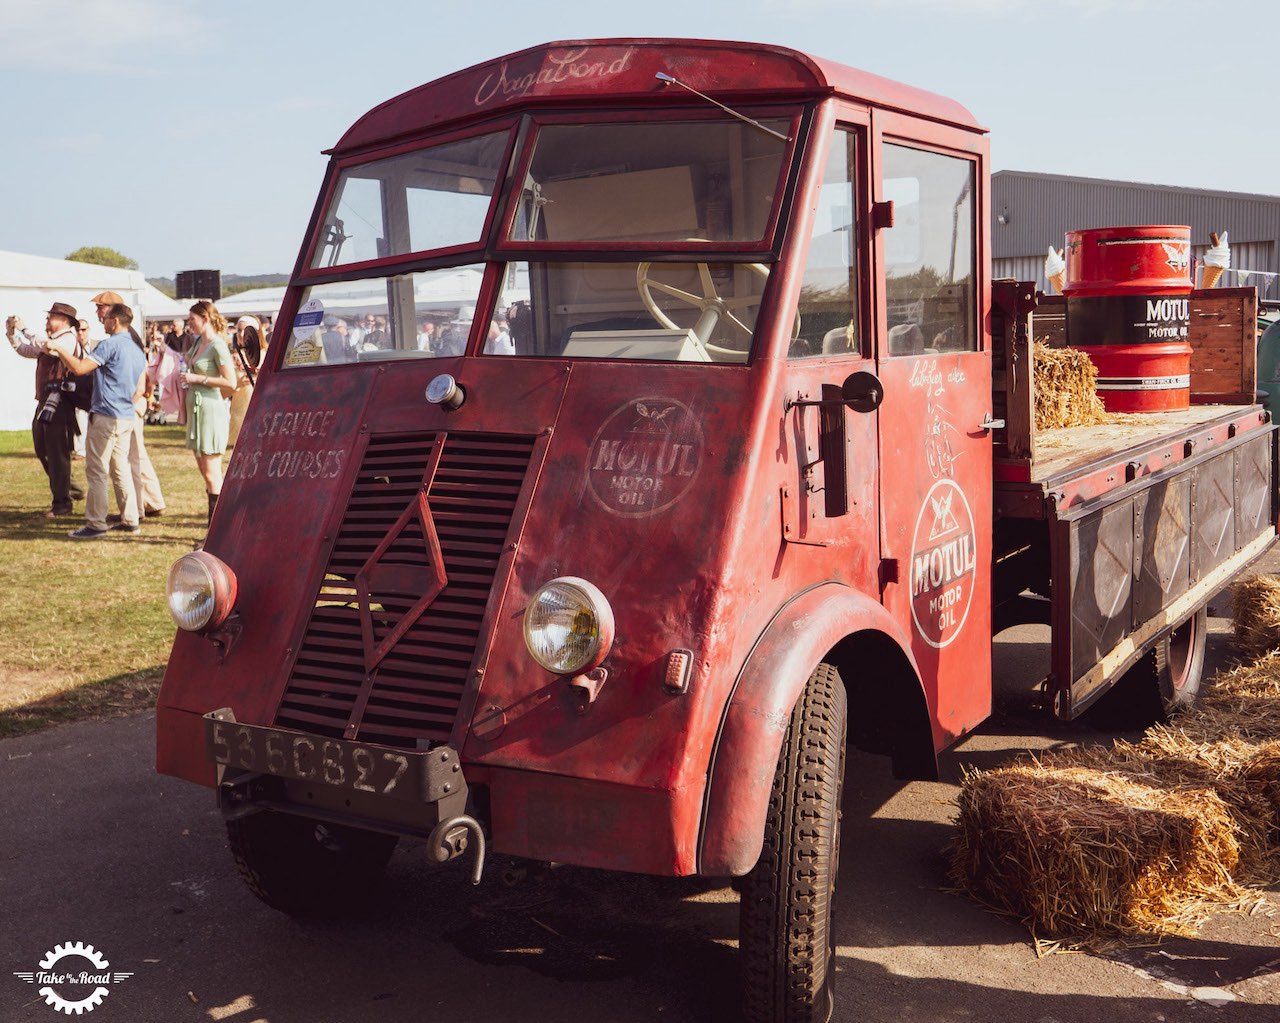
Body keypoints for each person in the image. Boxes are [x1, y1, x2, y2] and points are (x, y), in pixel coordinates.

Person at [47, 303, 147, 539]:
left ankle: (96, 523)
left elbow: (81, 368)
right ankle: (131, 519)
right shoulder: (136, 349)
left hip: (105, 414)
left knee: (97, 470)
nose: (103, 322)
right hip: (125, 415)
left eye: (106, 318)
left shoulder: (109, 345)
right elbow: (140, 388)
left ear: (115, 320)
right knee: (120, 468)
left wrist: (60, 350)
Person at [6, 303, 87, 517]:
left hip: (59, 401)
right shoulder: (53, 340)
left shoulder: (68, 338)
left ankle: (62, 504)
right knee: (43, 448)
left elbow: (44, 345)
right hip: (47, 400)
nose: (47, 320)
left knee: (56, 452)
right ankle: (71, 489)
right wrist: (11, 334)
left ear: (64, 319)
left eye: (51, 316)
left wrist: (24, 329)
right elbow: (27, 350)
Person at [91, 291, 165, 520]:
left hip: (127, 405)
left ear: (114, 311)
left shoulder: (125, 336)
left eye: (101, 308)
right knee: (133, 458)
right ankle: (146, 504)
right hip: (128, 404)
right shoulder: (126, 335)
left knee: (132, 458)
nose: (98, 313)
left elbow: (139, 375)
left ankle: (142, 507)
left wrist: (134, 401)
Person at [180, 299, 238, 525]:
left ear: (205, 319)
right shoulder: (197, 344)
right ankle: (215, 526)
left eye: (192, 319)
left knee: (213, 473)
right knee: (205, 472)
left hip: (211, 410)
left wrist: (198, 378)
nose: (189, 324)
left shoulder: (217, 345)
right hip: (197, 409)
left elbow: (230, 382)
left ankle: (217, 529)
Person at [227, 314, 263, 447]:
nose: (241, 334)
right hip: (238, 411)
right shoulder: (232, 357)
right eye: (238, 330)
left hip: (257, 410)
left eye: (244, 330)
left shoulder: (264, 354)